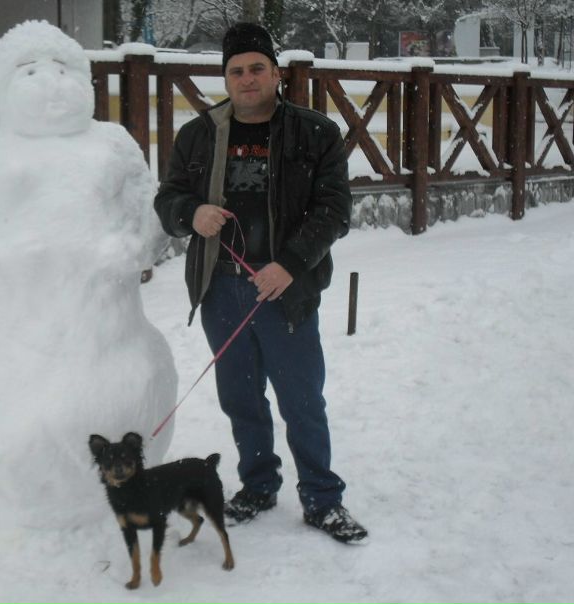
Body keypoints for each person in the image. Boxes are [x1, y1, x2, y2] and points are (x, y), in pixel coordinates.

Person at [153, 22, 367, 544]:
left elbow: (335, 210)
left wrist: (290, 264)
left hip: (283, 290)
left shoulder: (315, 133)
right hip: (220, 289)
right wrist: (191, 212)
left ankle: (321, 498)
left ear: (276, 73)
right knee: (241, 398)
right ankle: (258, 484)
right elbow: (168, 198)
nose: (247, 79)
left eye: (256, 69)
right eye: (236, 71)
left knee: (301, 400)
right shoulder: (199, 134)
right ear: (225, 77)